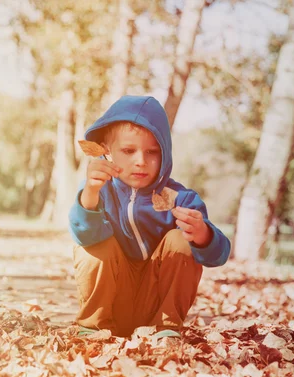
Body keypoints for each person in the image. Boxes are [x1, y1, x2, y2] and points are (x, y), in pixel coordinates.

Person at [68, 95, 231, 338]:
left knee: (181, 239)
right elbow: (82, 232)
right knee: (92, 243)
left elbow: (220, 254)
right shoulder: (99, 191)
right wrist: (90, 193)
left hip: (155, 307)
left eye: (152, 152)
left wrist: (203, 235)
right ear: (107, 151)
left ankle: (165, 329)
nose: (141, 162)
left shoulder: (180, 198)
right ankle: (93, 328)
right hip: (112, 302)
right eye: (128, 150)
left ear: (165, 153)